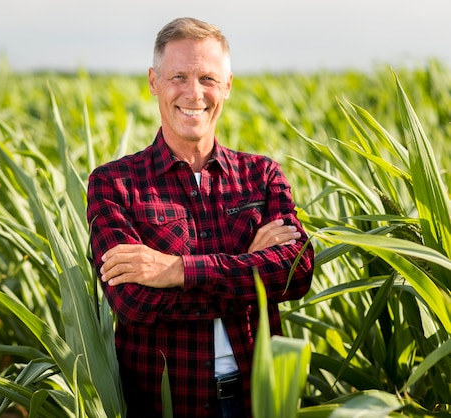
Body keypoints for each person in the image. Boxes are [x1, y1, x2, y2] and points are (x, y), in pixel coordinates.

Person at [86, 17, 314, 418]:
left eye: (208, 78)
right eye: (178, 76)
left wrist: (176, 271)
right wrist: (248, 272)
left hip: (257, 397)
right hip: (167, 404)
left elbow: (295, 272)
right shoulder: (114, 184)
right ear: (154, 81)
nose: (194, 93)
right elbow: (133, 302)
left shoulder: (262, 176)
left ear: (227, 85)